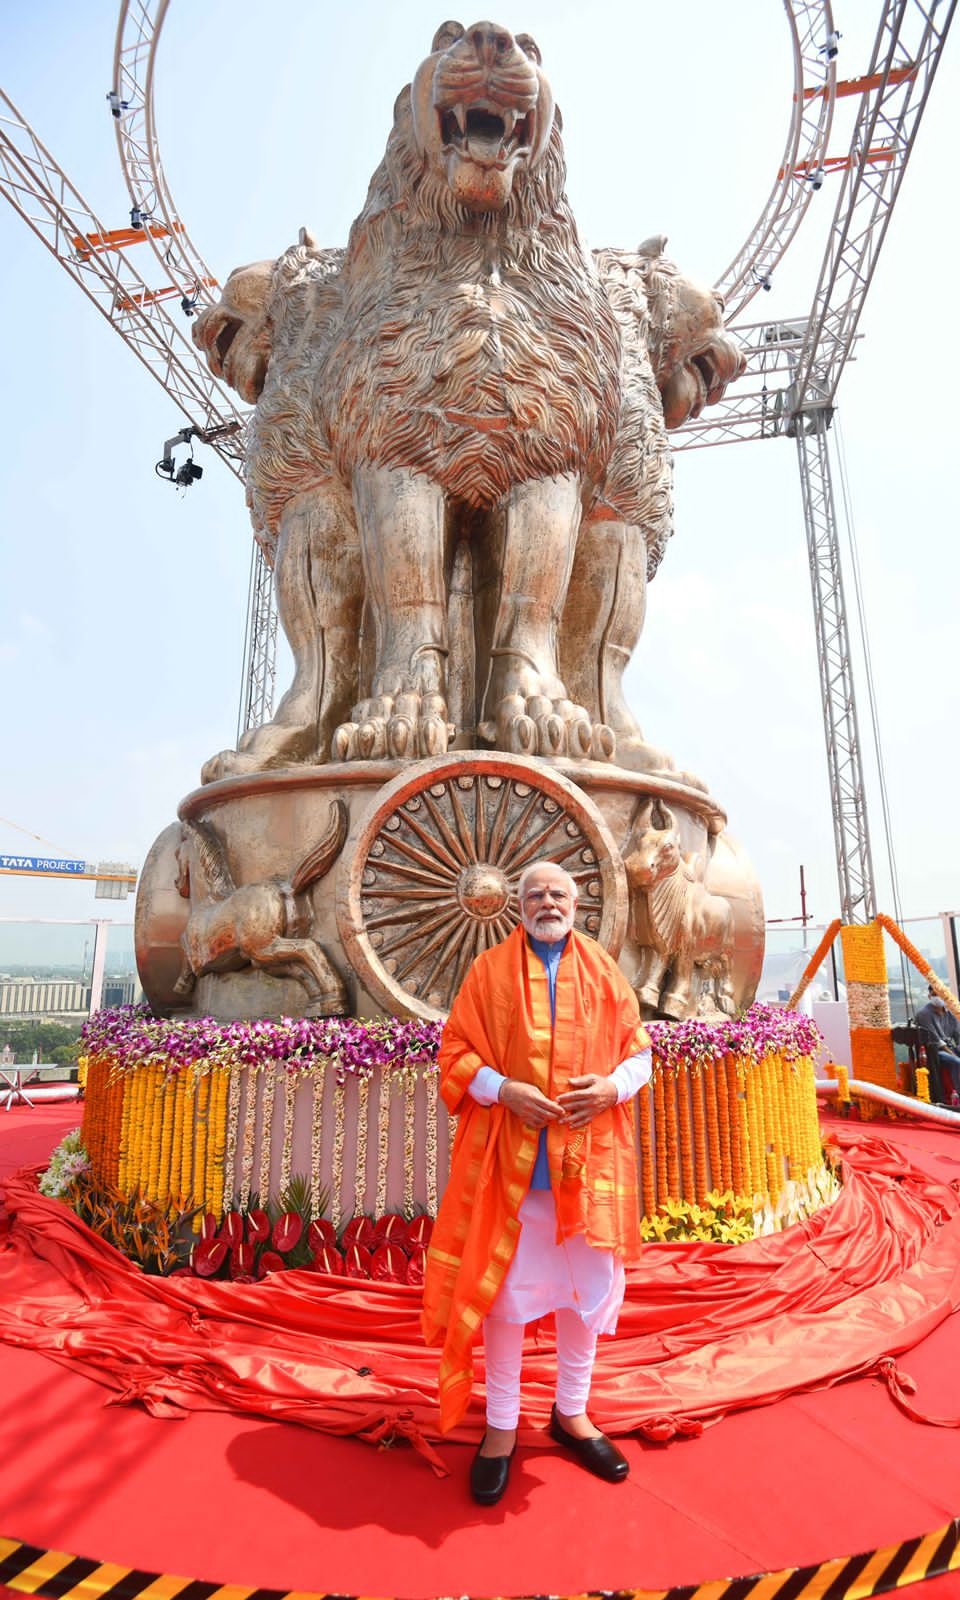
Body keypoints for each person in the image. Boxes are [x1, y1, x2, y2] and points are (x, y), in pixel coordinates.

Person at [421, 860, 652, 1505]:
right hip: (510, 1170)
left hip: (588, 1167)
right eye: (535, 894)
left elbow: (640, 1053)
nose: (547, 902)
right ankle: (500, 1427)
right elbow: (454, 1053)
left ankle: (572, 1412)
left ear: (576, 904)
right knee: (504, 1300)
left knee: (586, 1297)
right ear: (515, 905)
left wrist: (611, 1087)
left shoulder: (606, 972)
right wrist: (504, 1090)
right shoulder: (488, 972)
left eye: (558, 893)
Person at [915, 985, 960, 1104]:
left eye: (940, 994)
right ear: (929, 996)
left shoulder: (950, 1013)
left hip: (951, 1048)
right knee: (956, 1062)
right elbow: (936, 1040)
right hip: (935, 1052)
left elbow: (958, 1035)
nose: (938, 997)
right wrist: (954, 1055)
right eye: (935, 994)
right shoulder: (924, 1014)